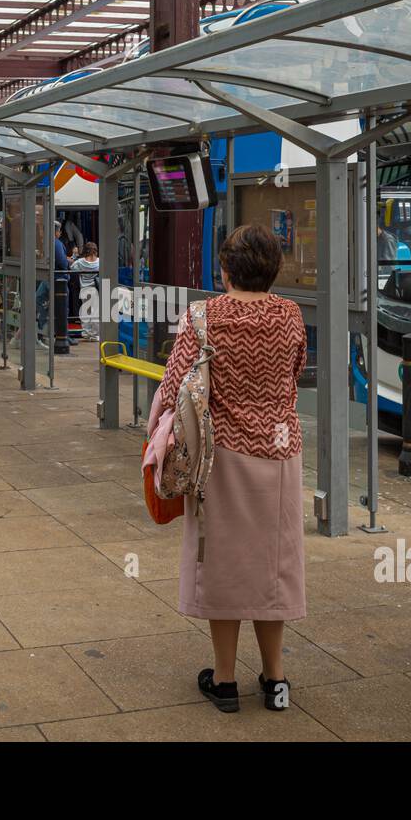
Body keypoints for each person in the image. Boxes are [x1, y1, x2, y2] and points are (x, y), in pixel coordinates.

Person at [157, 224, 307, 714]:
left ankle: (224, 682)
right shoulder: (290, 315)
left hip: (220, 459)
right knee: (274, 567)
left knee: (220, 563)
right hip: (281, 455)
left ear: (224, 271)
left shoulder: (202, 316)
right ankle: (276, 680)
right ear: (273, 270)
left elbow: (175, 383)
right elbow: (295, 373)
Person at [35, 221, 70, 350]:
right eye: (59, 231)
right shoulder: (56, 243)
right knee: (61, 307)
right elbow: (62, 263)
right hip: (57, 279)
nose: (60, 233)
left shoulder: (45, 243)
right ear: (56, 231)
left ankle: (45, 329)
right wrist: (68, 262)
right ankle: (62, 335)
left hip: (47, 278)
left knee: (40, 300)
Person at [70, 241, 101, 340]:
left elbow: (72, 268)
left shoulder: (80, 262)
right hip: (94, 289)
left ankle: (86, 333)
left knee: (85, 313)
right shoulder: (99, 262)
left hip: (84, 289)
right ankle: (95, 334)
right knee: (95, 313)